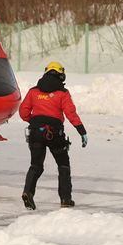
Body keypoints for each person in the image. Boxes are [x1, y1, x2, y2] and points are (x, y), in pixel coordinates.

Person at [19, 61, 88, 210]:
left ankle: (27, 192)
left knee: (35, 165)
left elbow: (23, 112)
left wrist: (35, 121)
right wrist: (82, 131)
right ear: (61, 74)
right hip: (54, 134)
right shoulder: (62, 93)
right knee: (63, 165)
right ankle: (65, 199)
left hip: (35, 132)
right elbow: (71, 114)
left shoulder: (33, 91)